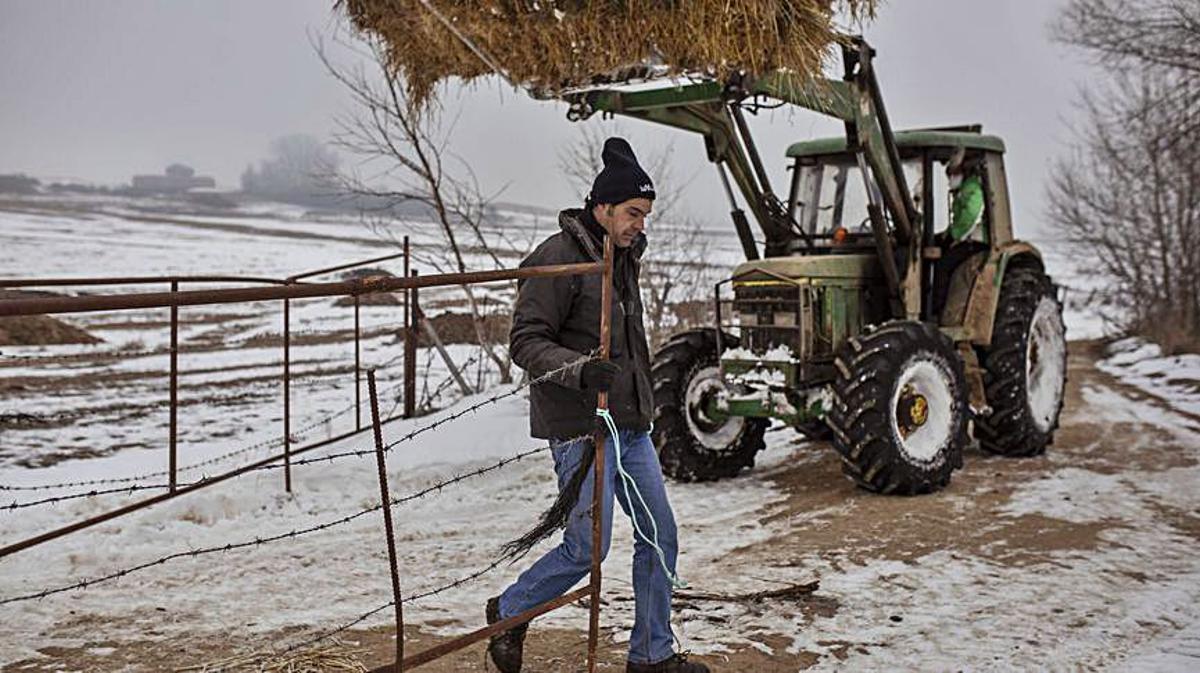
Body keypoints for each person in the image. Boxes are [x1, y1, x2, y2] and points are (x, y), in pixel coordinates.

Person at [486, 137, 709, 673]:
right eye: (632, 212)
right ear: (602, 207)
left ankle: (652, 655)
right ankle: (509, 611)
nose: (640, 224)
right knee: (588, 548)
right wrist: (582, 369)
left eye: (645, 214)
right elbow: (525, 342)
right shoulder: (558, 260)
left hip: (631, 427)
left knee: (661, 536)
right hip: (582, 430)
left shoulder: (622, 255)